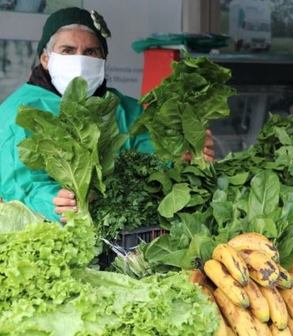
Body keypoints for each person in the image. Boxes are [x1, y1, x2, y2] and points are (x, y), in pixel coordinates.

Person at [0, 7, 214, 222]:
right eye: (67, 50)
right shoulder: (21, 110)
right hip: (53, 231)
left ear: (103, 59)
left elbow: (152, 161)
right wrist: (51, 200)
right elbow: (18, 181)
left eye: (91, 52)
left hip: (123, 231)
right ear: (45, 59)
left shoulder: (124, 109)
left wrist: (184, 155)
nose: (80, 60)